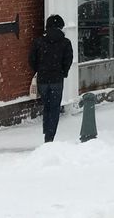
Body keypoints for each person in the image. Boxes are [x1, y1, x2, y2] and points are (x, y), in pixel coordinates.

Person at [29, 14, 74, 143]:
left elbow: (31, 59)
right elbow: (68, 60)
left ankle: (46, 131)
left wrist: (38, 69)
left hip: (43, 79)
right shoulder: (65, 42)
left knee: (46, 106)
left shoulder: (38, 42)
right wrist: (63, 72)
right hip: (57, 79)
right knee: (54, 107)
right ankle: (50, 135)